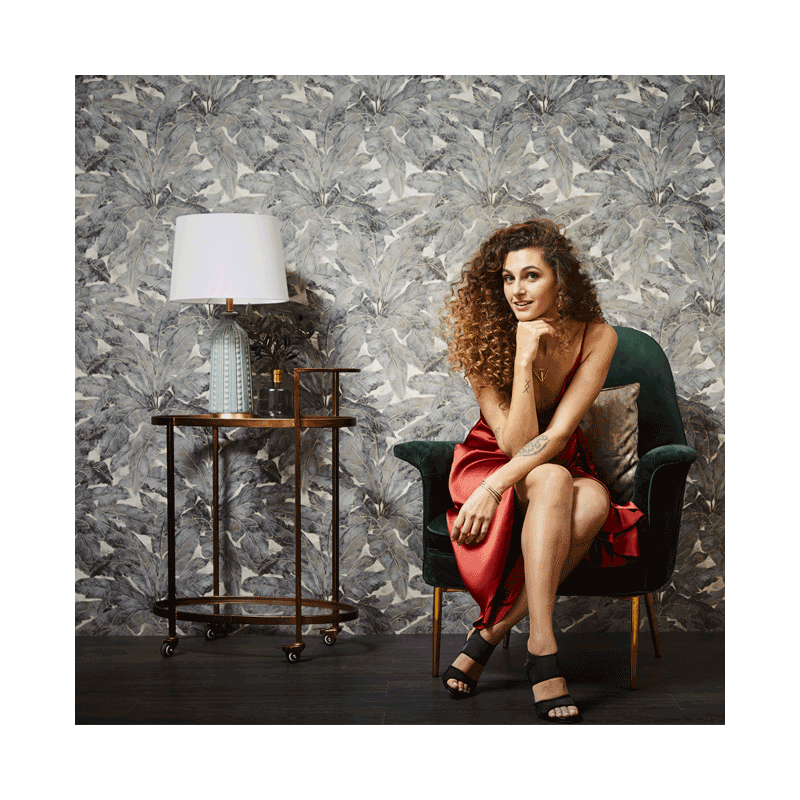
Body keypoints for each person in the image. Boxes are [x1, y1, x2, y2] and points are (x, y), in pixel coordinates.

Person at [439, 219, 644, 723]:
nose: (517, 290)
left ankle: (489, 634)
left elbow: (556, 435)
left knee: (593, 500)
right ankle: (543, 650)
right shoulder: (485, 338)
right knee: (552, 479)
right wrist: (524, 357)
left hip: (549, 458)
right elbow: (512, 443)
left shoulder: (598, 336)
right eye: (508, 278)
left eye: (531, 276)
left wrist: (495, 489)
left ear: (560, 280)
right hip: (490, 458)